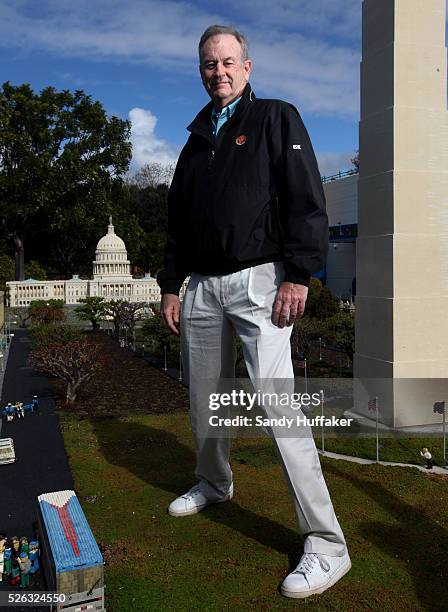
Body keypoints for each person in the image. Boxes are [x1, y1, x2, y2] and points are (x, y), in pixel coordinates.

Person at [157, 24, 351, 599]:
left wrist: (299, 272)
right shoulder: (195, 141)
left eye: (228, 62)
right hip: (201, 290)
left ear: (247, 67)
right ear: (202, 72)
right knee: (203, 400)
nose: (219, 71)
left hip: (260, 284)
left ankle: (326, 544)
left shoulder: (274, 118)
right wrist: (172, 286)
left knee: (277, 407)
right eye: (209, 64)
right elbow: (178, 224)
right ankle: (214, 483)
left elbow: (305, 198)